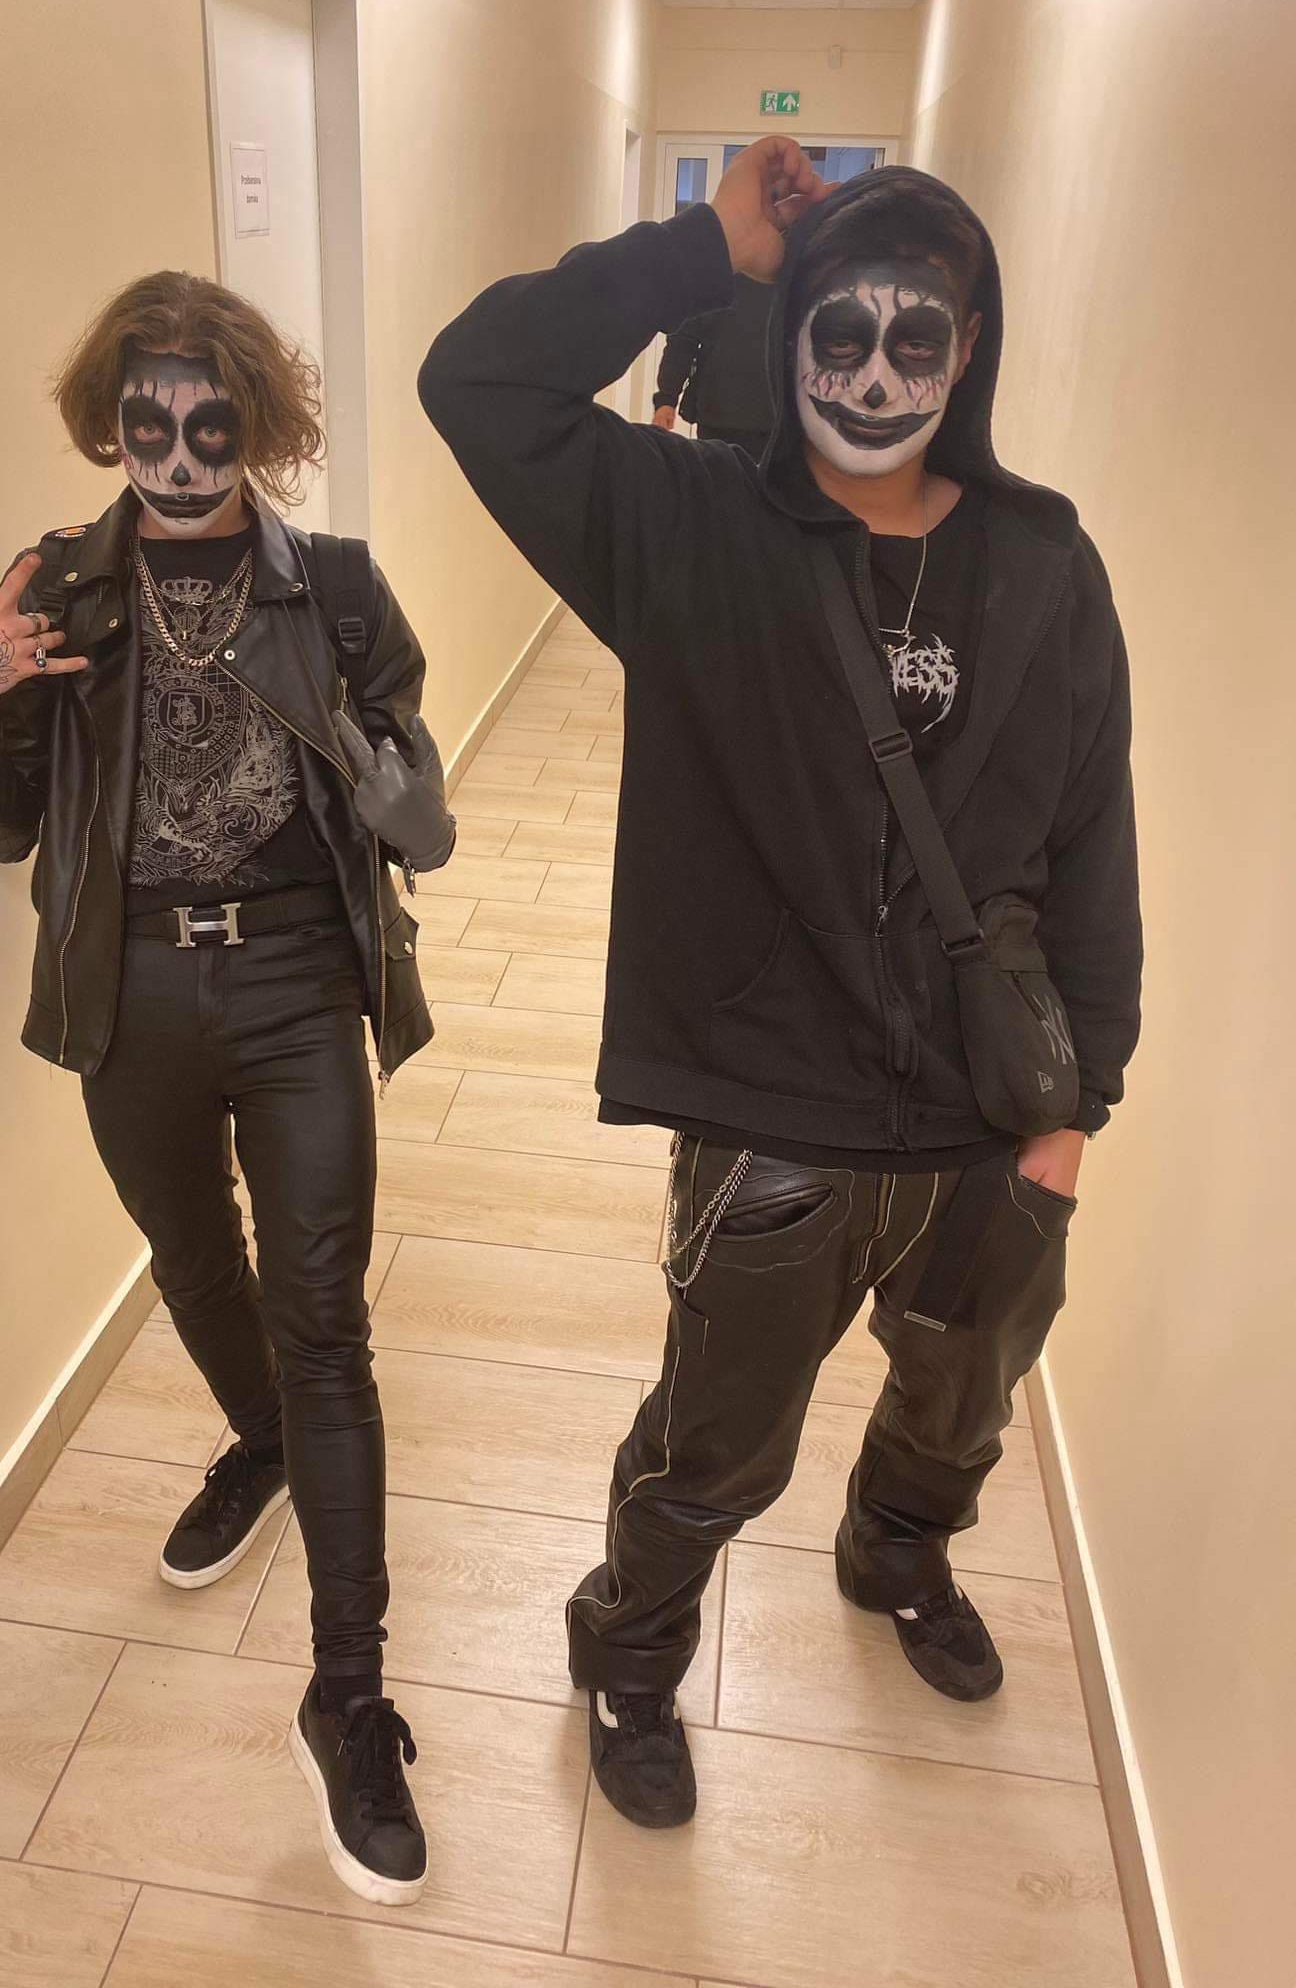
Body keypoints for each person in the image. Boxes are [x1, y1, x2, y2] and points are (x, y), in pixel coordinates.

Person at [420, 140, 1140, 1830]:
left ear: (969, 351)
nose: (876, 375)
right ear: (791, 330)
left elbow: (1093, 836)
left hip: (991, 1099)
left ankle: (896, 1551)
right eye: (841, 332)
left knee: (961, 1399)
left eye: (917, 337)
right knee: (716, 1443)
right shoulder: (687, 529)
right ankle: (632, 1646)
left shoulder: (1047, 563)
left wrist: (1079, 1107)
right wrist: (702, 247)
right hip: (768, 1109)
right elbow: (480, 380)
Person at [0, 272, 439, 1903]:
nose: (174, 450)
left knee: (325, 1319)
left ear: (255, 424)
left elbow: (417, 804)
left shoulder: (334, 591)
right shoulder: (59, 588)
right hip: (130, 988)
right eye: (144, 419)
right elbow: (9, 827)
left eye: (208, 420)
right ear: (111, 421)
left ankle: (346, 1697)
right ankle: (261, 1442)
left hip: (294, 982)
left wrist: (395, 784)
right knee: (191, 1258)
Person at [651, 272, 776, 460]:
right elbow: (683, 342)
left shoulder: (795, 277)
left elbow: (683, 342)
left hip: (768, 417)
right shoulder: (713, 279)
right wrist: (666, 398)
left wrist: (666, 398)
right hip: (721, 412)